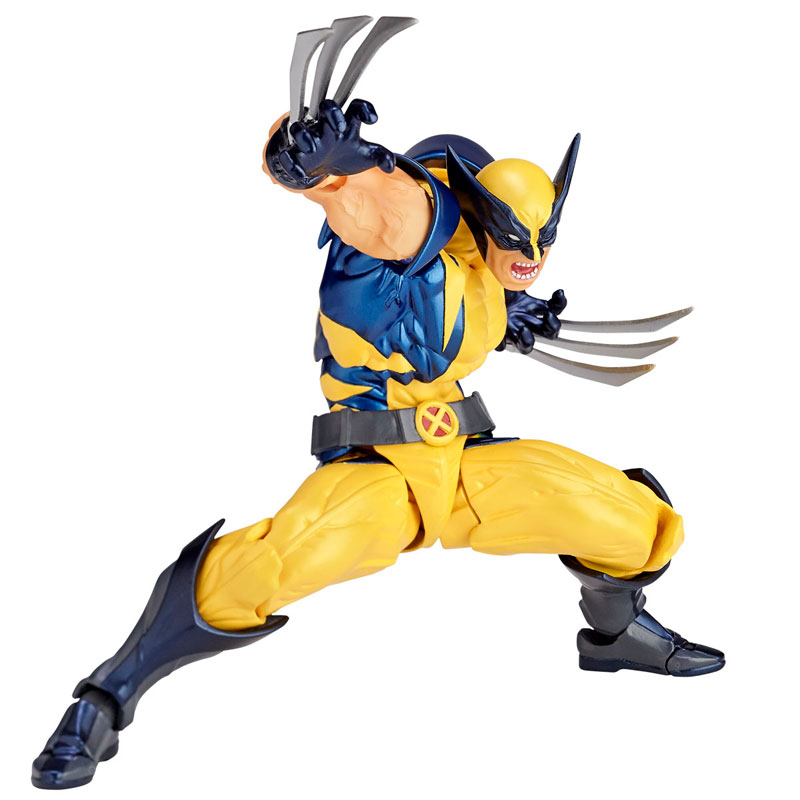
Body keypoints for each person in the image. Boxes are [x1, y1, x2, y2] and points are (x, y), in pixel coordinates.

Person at [31, 18, 724, 791]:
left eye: (543, 240)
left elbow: (474, 306)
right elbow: (366, 201)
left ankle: (616, 636)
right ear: (473, 212)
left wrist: (513, 314)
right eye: (515, 237)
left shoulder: (485, 271)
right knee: (267, 567)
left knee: (635, 520)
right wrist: (318, 161)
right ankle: (106, 697)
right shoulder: (402, 236)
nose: (530, 256)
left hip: (465, 462)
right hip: (378, 472)